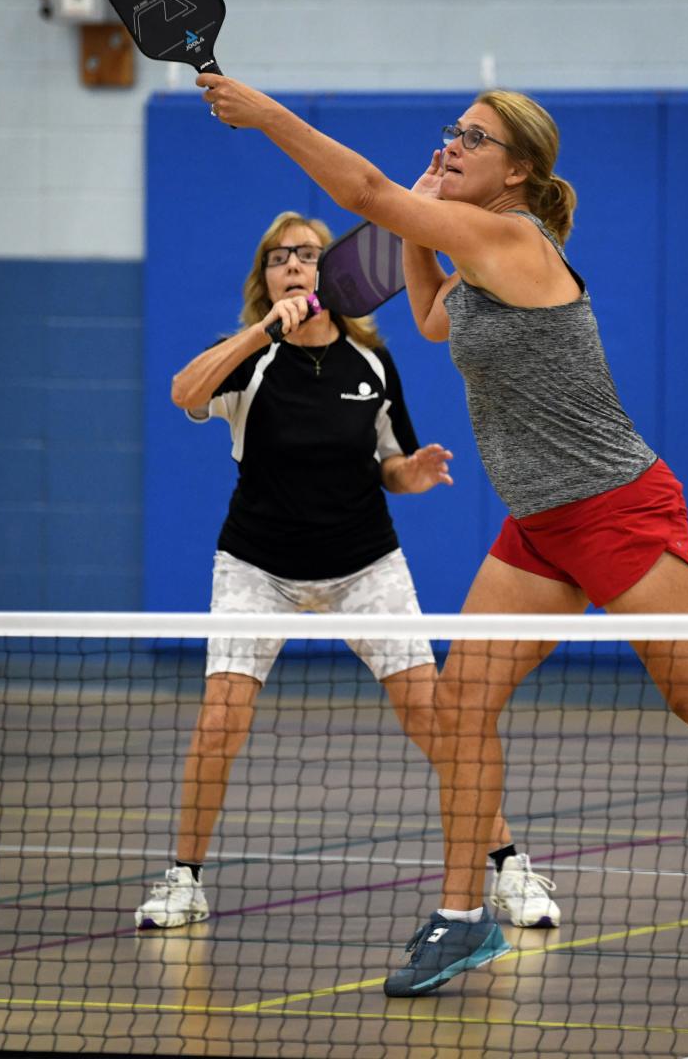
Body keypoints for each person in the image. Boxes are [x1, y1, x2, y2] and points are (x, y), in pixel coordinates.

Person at [194, 79, 688, 997]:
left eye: (472, 139)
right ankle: (462, 917)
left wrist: (269, 116)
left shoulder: (515, 241)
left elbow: (362, 193)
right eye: (451, 131)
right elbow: (436, 321)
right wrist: (424, 216)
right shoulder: (474, 260)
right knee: (459, 710)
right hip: (538, 527)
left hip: (617, 508)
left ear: (517, 172)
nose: (453, 143)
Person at [134, 210, 560, 933]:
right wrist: (263, 330)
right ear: (264, 276)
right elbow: (185, 394)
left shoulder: (372, 363)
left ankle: (508, 867)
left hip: (364, 563)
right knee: (220, 719)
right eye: (278, 256)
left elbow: (388, 462)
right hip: (257, 566)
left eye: (307, 255)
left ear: (333, 273)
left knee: (436, 717)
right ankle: (185, 879)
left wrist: (411, 474)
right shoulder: (249, 358)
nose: (293, 265)